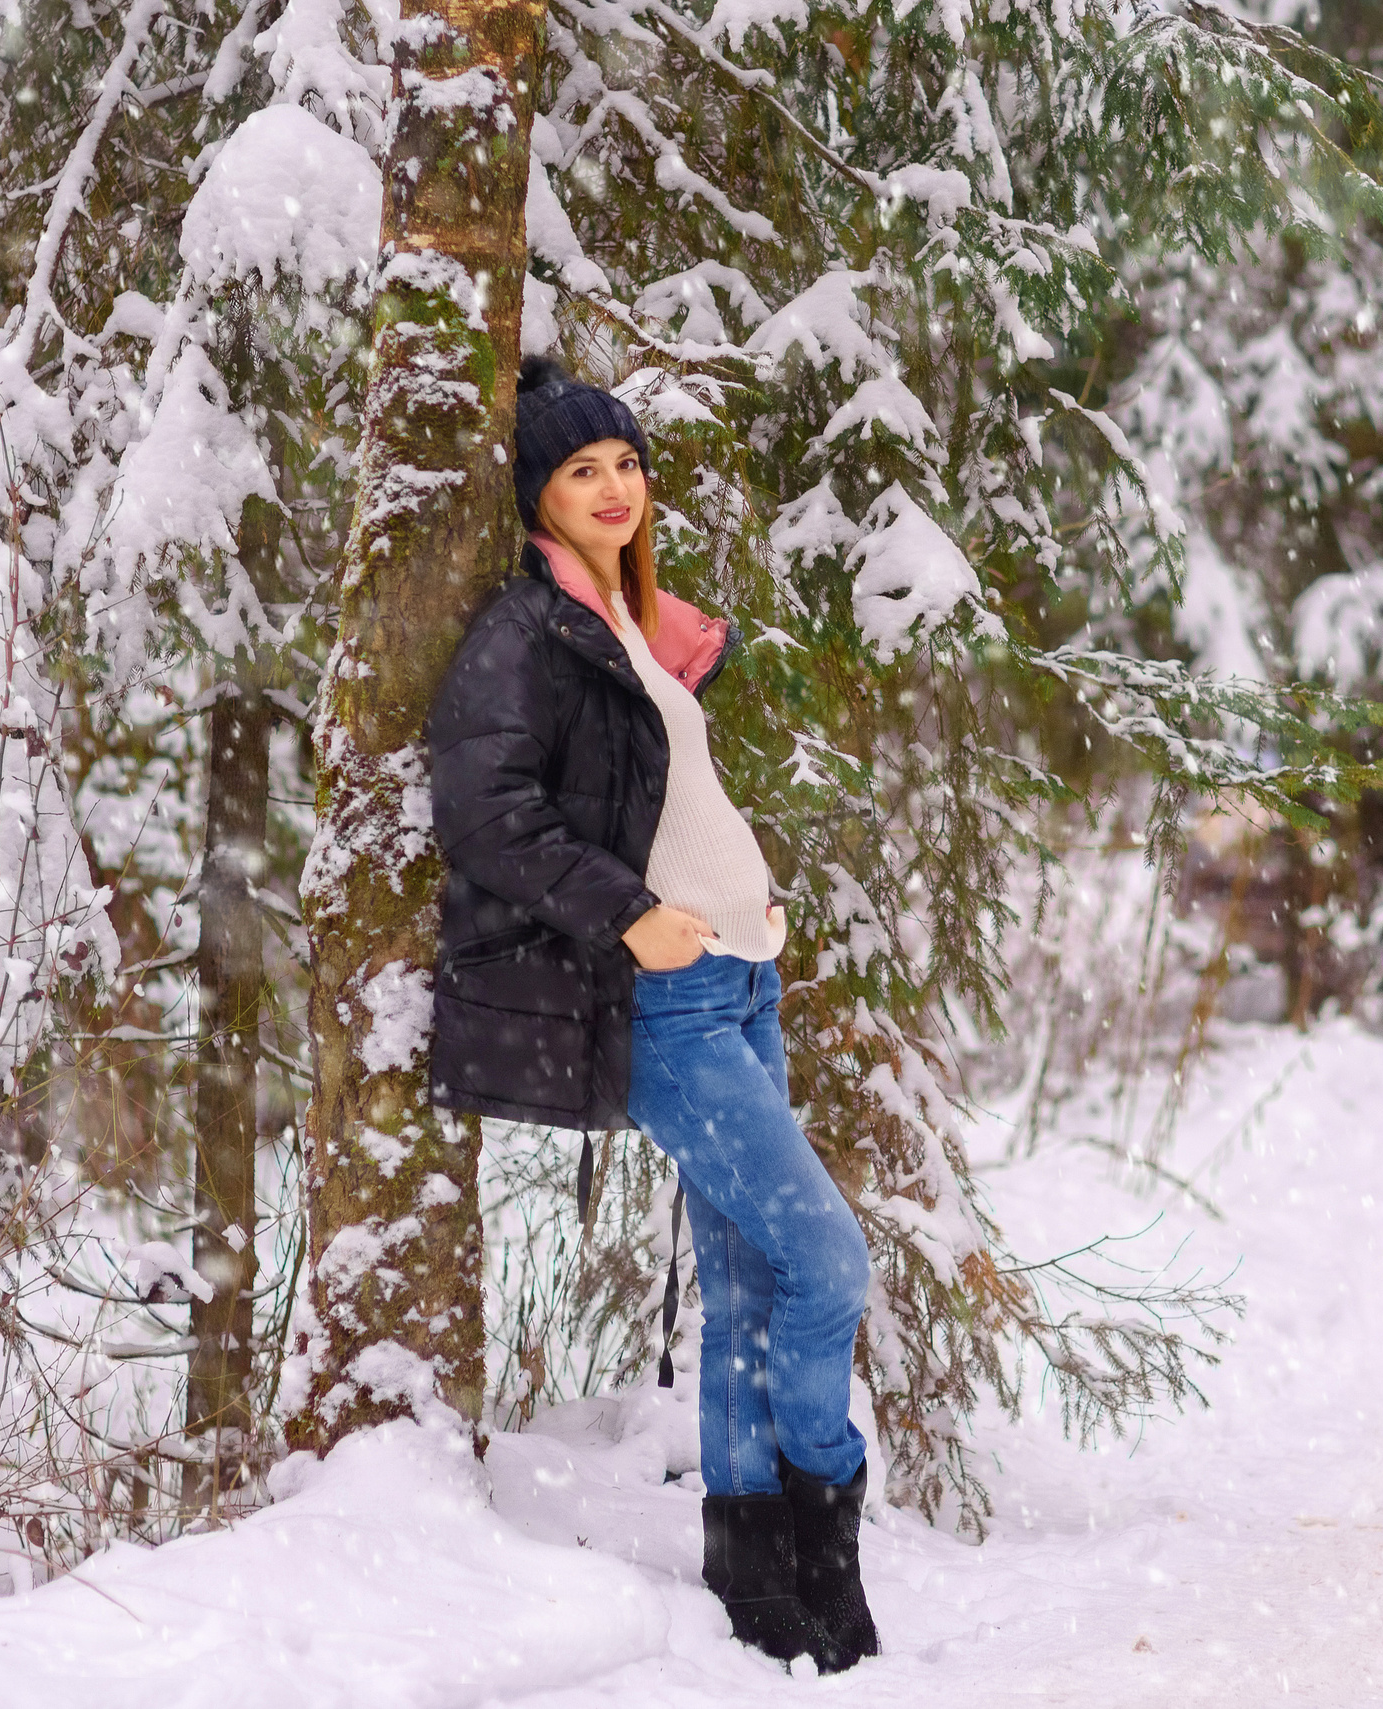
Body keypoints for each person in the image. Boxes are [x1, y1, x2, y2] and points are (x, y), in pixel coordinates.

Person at [425, 359, 879, 1674]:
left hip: (744, 978)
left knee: (746, 1280)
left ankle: (760, 1594)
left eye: (622, 460)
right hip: (669, 1002)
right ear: (535, 499)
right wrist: (633, 914)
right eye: (579, 470)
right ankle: (825, 1565)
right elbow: (490, 812)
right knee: (827, 1262)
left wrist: (742, 917)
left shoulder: (631, 627)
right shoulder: (525, 631)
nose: (613, 486)